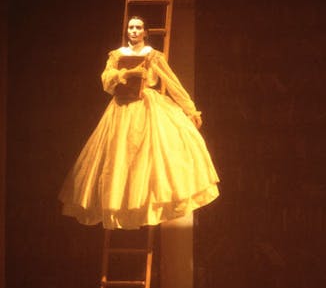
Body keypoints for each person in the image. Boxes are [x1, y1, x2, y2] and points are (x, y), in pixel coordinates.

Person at [59, 16, 220, 229]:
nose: (134, 31)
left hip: (146, 106)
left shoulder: (153, 56)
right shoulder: (117, 55)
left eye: (138, 28)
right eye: (131, 27)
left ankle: (145, 203)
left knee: (150, 157)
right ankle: (122, 206)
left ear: (145, 32)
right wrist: (127, 73)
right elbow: (106, 80)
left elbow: (172, 83)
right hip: (121, 108)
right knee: (118, 160)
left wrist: (190, 109)